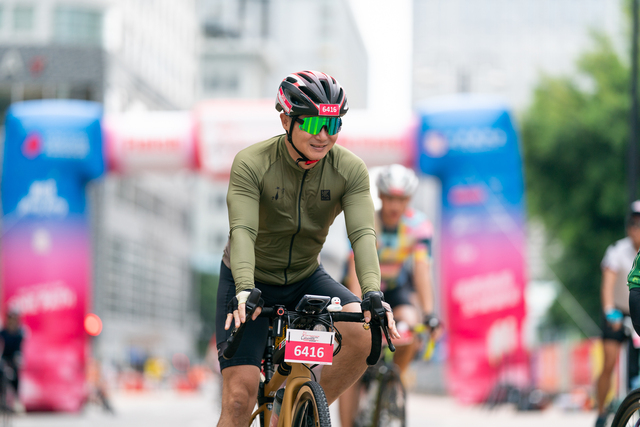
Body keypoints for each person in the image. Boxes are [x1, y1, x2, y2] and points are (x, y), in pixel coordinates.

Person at [215, 70, 400, 427]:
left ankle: (301, 413)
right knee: (239, 399)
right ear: (286, 119)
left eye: (333, 125)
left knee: (363, 334)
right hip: (249, 280)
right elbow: (243, 231)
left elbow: (363, 234)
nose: (323, 135)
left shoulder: (350, 169)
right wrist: (244, 288)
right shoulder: (252, 163)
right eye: (314, 123)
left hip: (305, 277)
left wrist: (372, 293)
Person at [339, 164, 441, 427]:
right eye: (389, 197)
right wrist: (357, 310)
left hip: (395, 287)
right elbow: (355, 267)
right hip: (361, 283)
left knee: (410, 325)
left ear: (409, 199)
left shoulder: (419, 226)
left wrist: (429, 314)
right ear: (381, 196)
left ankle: (391, 381)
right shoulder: (367, 220)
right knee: (352, 358)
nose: (395, 205)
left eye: (401, 199)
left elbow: (422, 271)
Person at [595, 201, 640, 427]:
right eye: (634, 224)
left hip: (637, 313)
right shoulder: (617, 250)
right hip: (618, 313)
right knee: (609, 361)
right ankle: (601, 411)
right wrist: (609, 311)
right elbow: (608, 284)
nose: (637, 229)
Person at [0, 310, 24, 411]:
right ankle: (2, 399)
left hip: (15, 357)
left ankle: (17, 399)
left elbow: (19, 349)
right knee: (1, 372)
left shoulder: (20, 332)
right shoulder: (3, 332)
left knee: (16, 372)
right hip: (5, 357)